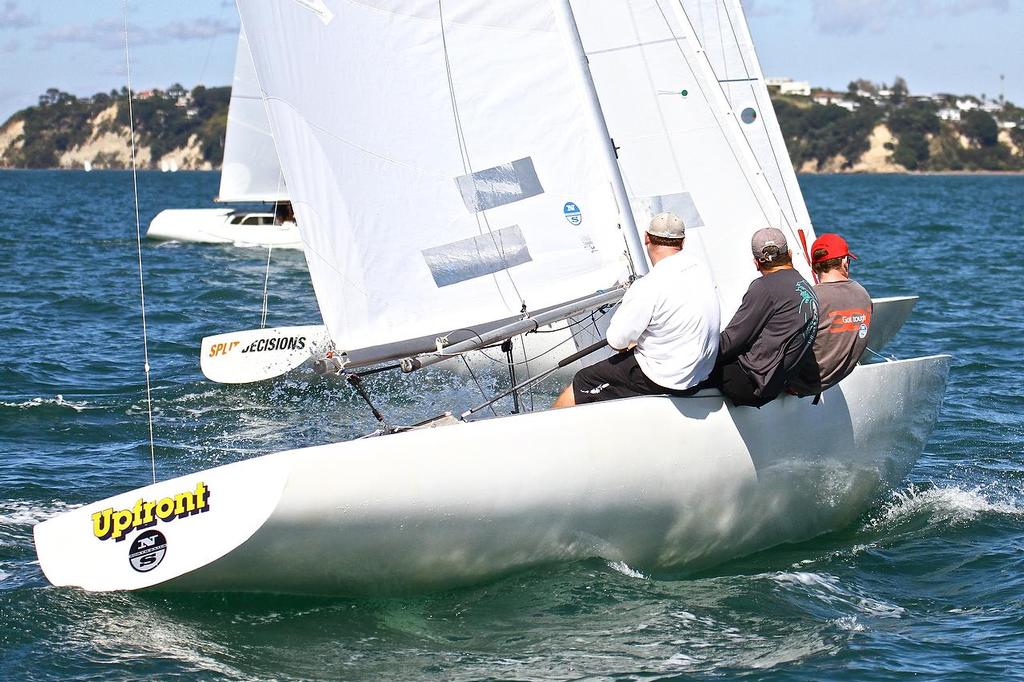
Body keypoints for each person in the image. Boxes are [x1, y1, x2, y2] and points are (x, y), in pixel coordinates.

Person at [552, 212, 720, 408]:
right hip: (701, 372)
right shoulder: (701, 269)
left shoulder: (648, 286)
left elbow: (616, 341)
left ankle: (544, 435)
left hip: (668, 379)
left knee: (582, 382)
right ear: (682, 242)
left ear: (646, 238)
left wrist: (631, 341)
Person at [703, 227, 819, 407]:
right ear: (789, 254)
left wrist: (690, 349)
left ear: (756, 262)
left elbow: (729, 343)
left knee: (690, 368)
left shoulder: (764, 287)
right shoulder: (805, 286)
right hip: (776, 382)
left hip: (751, 386)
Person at [787, 233, 872, 397]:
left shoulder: (809, 297)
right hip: (829, 379)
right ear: (844, 262)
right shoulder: (863, 295)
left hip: (799, 383)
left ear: (814, 267)